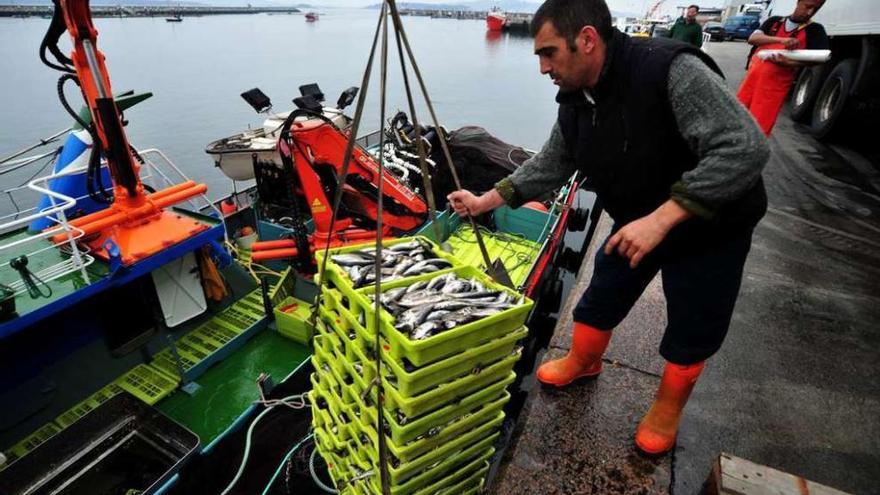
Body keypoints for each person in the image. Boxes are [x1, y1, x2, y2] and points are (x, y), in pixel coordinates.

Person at [447, 0, 769, 456]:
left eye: (548, 53)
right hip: (638, 217)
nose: (542, 68)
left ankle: (668, 406)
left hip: (711, 224)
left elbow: (745, 148)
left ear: (587, 40)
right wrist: (485, 200)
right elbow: (552, 163)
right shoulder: (578, 98)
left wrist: (664, 218)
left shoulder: (669, 70)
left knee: (694, 323)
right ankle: (584, 360)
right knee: (601, 294)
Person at [737, 0, 829, 135]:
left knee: (758, 128)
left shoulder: (815, 30)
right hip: (750, 82)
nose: (810, 12)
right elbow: (753, 38)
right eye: (807, 7)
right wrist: (781, 40)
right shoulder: (774, 21)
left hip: (773, 89)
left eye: (815, 9)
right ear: (798, 2)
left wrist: (790, 63)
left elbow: (819, 59)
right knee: (736, 117)